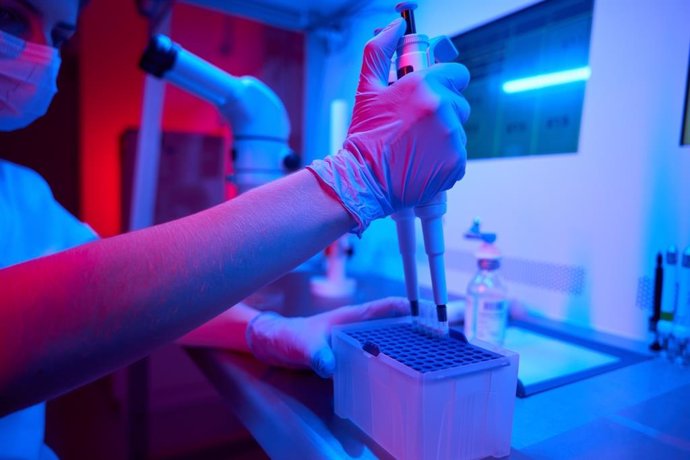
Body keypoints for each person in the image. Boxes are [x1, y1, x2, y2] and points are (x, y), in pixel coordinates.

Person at [0, 0, 470, 457]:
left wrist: (264, 330)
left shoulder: (24, 194)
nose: (41, 52)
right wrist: (353, 179)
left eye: (61, 36)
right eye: (11, 17)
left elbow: (115, 297)